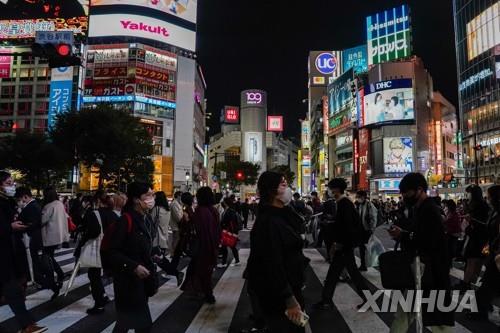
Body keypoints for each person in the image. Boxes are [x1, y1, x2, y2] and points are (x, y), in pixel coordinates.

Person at [388, 173, 454, 332]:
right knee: (408, 313)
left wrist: (403, 234)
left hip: (431, 271)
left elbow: (428, 240)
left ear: (419, 190)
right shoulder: (419, 208)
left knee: (437, 318)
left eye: (407, 192)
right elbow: (417, 234)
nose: (404, 196)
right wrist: (403, 232)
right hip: (421, 270)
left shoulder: (429, 209)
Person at [246, 171, 309, 333]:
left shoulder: (283, 215)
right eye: (283, 184)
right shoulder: (268, 222)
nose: (287, 188)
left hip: (291, 286)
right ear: (272, 191)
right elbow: (272, 263)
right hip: (279, 294)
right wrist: (289, 299)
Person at [104, 182, 157, 333]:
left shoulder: (145, 219)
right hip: (128, 283)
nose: (151, 198)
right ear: (136, 199)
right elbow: (112, 252)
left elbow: (140, 246)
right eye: (147, 195)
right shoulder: (125, 220)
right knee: (142, 326)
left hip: (140, 282)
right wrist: (134, 266)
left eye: (152, 195)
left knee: (124, 324)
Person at [0, 171, 46, 333]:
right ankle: (27, 325)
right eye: (8, 183)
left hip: (9, 255)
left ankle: (27, 325)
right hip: (3, 256)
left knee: (14, 292)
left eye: (12, 183)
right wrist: (9, 227)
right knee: (13, 291)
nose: (12, 186)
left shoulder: (8, 203)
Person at [314, 178, 368, 310]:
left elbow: (347, 226)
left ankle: (327, 300)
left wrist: (339, 243)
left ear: (337, 189)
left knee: (350, 274)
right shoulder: (343, 202)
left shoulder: (344, 203)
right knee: (336, 273)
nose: (329, 191)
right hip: (344, 245)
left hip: (344, 245)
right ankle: (326, 300)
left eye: (331, 188)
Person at [77, 191, 118, 314]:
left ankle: (99, 303)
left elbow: (93, 232)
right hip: (112, 250)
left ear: (98, 201)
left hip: (99, 249)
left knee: (93, 275)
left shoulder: (94, 214)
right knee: (111, 275)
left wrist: (83, 241)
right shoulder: (114, 215)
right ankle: (104, 296)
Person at [181, 187, 221, 304]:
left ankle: (206, 294)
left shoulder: (200, 211)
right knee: (203, 271)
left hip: (202, 247)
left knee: (201, 271)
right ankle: (201, 292)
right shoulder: (213, 210)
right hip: (211, 245)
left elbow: (199, 229)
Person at [470, 185, 500, 321]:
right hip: (493, 253)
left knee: (486, 287)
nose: (487, 198)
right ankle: (483, 308)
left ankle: (480, 311)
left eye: (489, 196)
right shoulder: (494, 212)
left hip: (497, 256)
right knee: (488, 286)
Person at [459, 184, 490, 290]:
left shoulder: (480, 206)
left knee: (472, 261)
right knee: (473, 261)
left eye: (469, 193)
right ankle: (469, 281)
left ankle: (466, 283)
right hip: (475, 237)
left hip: (478, 238)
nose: (467, 195)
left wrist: (471, 220)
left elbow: (483, 223)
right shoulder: (475, 205)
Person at [41, 187, 69, 297]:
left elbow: (42, 220)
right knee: (50, 256)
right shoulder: (59, 204)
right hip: (59, 235)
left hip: (50, 236)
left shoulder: (49, 206)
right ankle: (60, 274)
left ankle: (53, 279)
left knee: (47, 257)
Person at [15, 187, 43, 287]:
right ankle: (39, 279)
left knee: (35, 259)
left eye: (19, 199)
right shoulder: (34, 205)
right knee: (36, 259)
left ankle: (39, 280)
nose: (19, 202)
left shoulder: (32, 207)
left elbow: (32, 223)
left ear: (25, 196)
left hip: (33, 237)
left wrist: (21, 226)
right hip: (35, 236)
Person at [355, 190, 378, 271]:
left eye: (359, 197)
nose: (357, 198)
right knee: (362, 248)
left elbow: (373, 218)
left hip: (367, 230)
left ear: (364, 197)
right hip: (361, 230)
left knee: (367, 247)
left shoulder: (369, 205)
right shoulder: (360, 205)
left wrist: (372, 229)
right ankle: (363, 265)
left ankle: (371, 263)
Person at [218, 197, 241, 268]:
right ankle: (236, 261)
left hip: (228, 232)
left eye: (223, 201)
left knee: (226, 247)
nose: (222, 203)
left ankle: (224, 263)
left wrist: (222, 225)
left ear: (225, 203)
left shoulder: (230, 211)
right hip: (228, 232)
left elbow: (228, 222)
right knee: (231, 247)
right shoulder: (228, 210)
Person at [442, 199, 462, 268]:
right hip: (451, 233)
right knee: (449, 249)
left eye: (447, 205)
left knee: (451, 250)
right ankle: (449, 263)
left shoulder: (454, 214)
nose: (445, 206)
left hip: (453, 233)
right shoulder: (451, 212)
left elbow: (452, 224)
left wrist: (445, 222)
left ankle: (449, 264)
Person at [169, 191, 183, 255]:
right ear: (178, 196)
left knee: (177, 239)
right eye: (181, 196)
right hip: (176, 225)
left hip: (177, 225)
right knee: (176, 239)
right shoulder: (174, 204)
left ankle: (175, 252)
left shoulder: (178, 203)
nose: (181, 197)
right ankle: (173, 253)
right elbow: (177, 216)